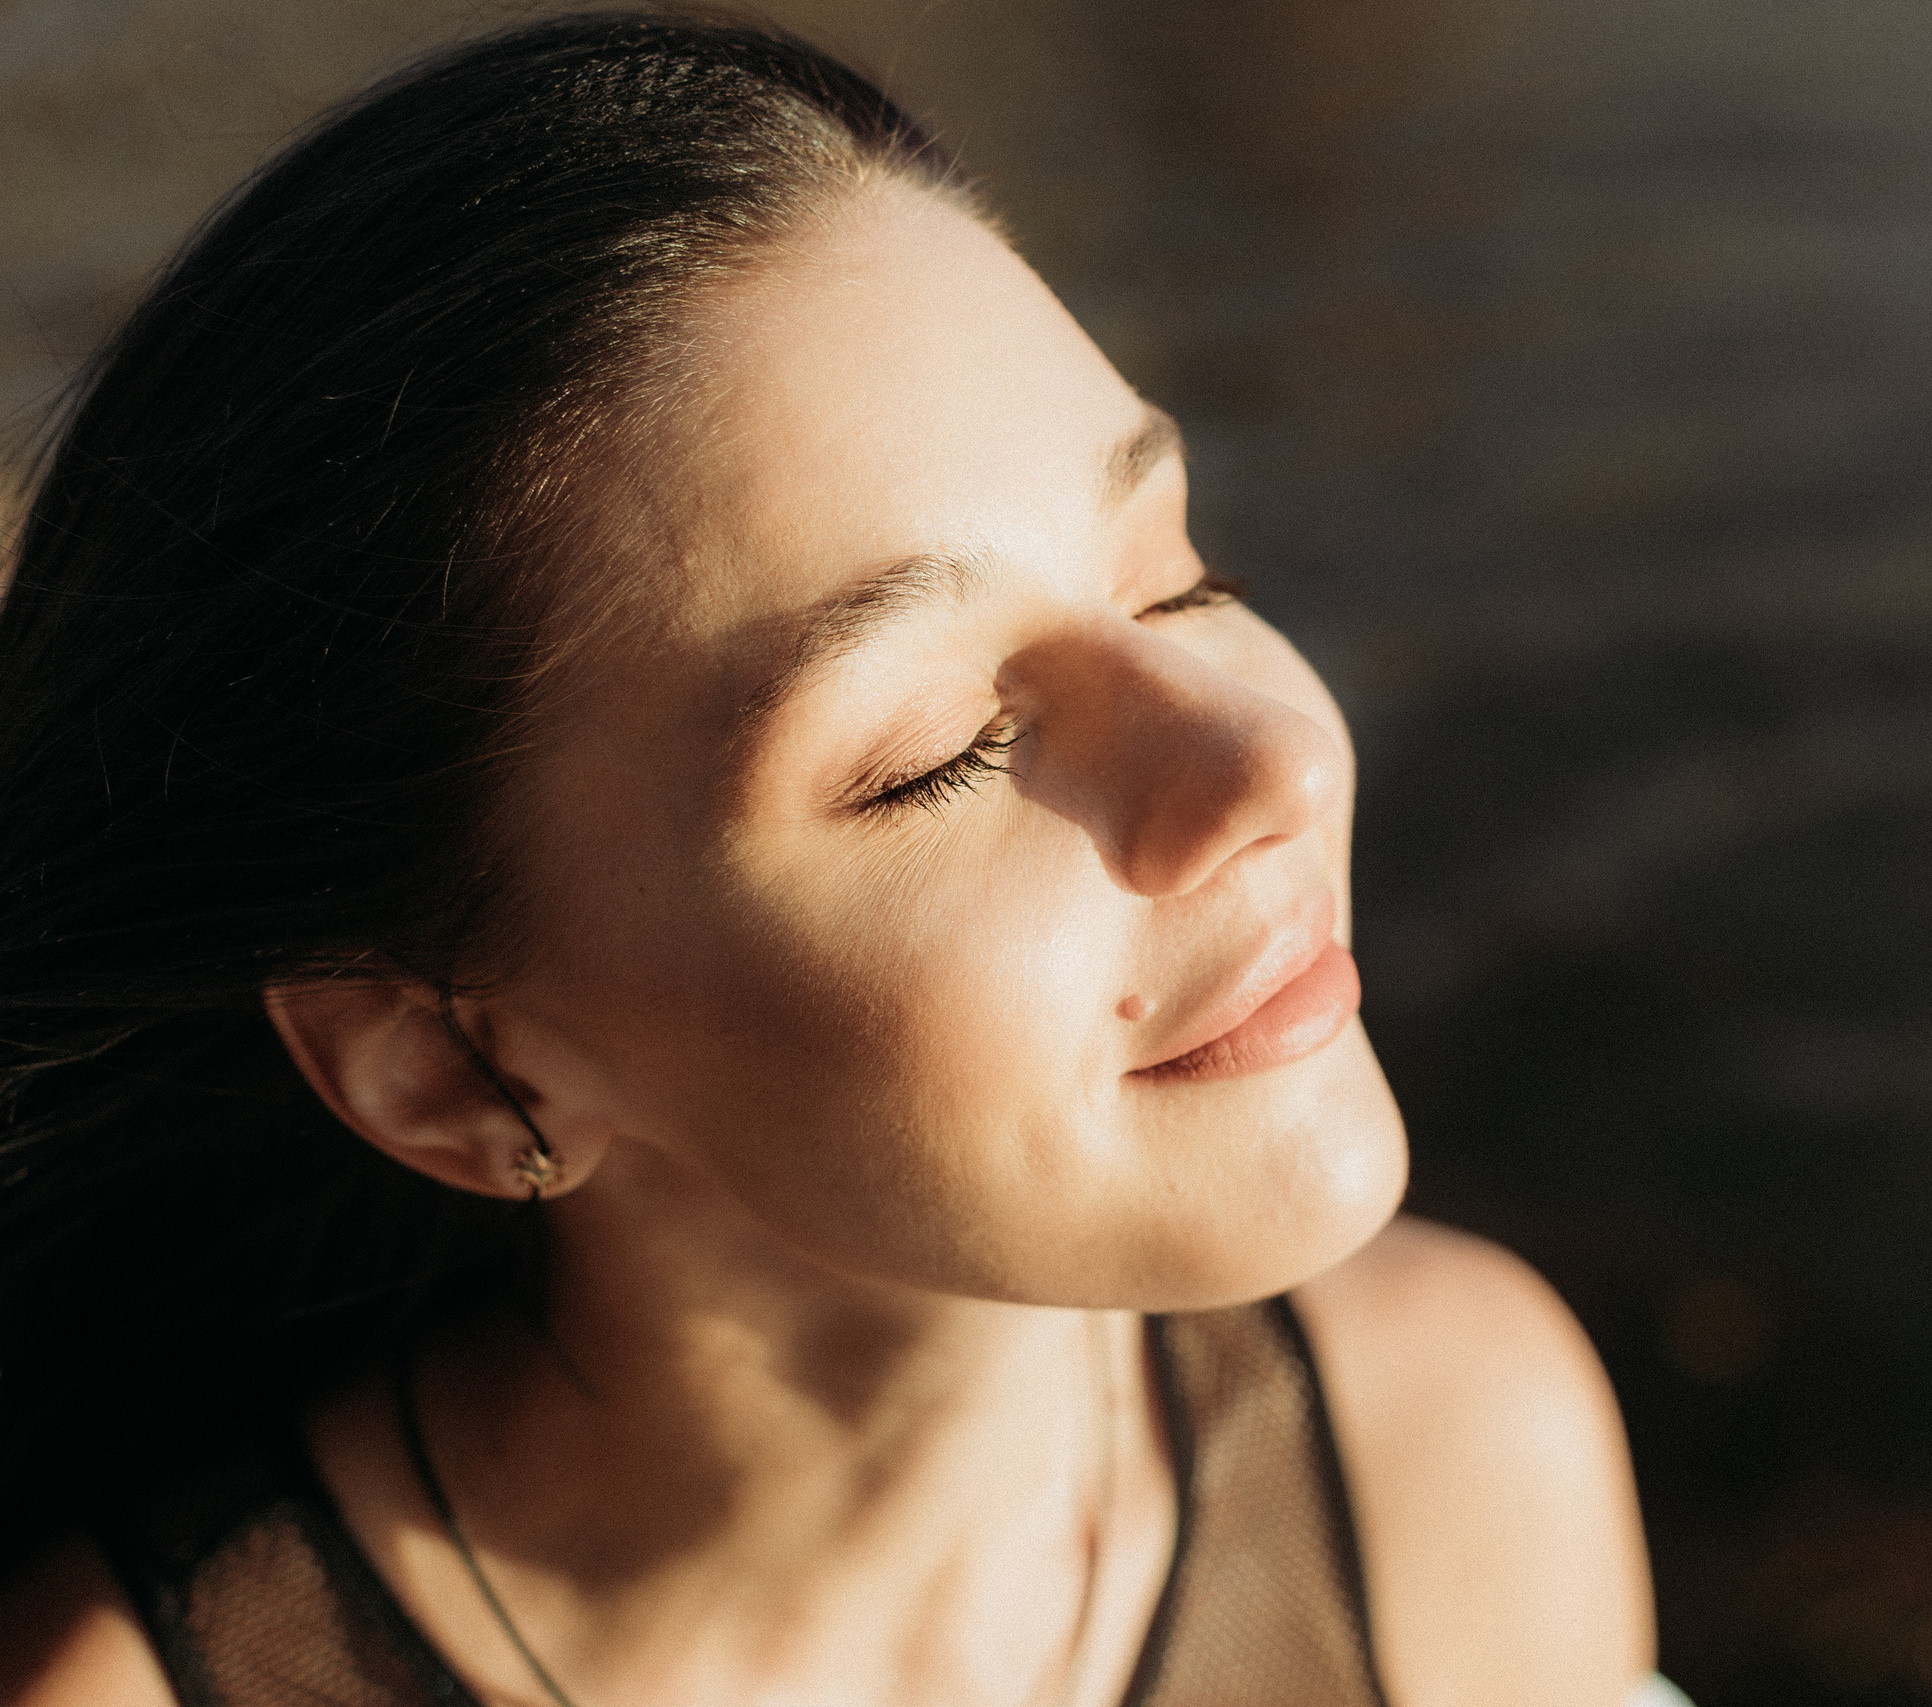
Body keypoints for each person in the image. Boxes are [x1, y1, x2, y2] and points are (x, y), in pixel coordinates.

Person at [0, 13, 1665, 1705]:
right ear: (451, 1062)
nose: (1277, 759)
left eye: (1177, 575)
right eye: (939, 749)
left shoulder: (1447, 1455)